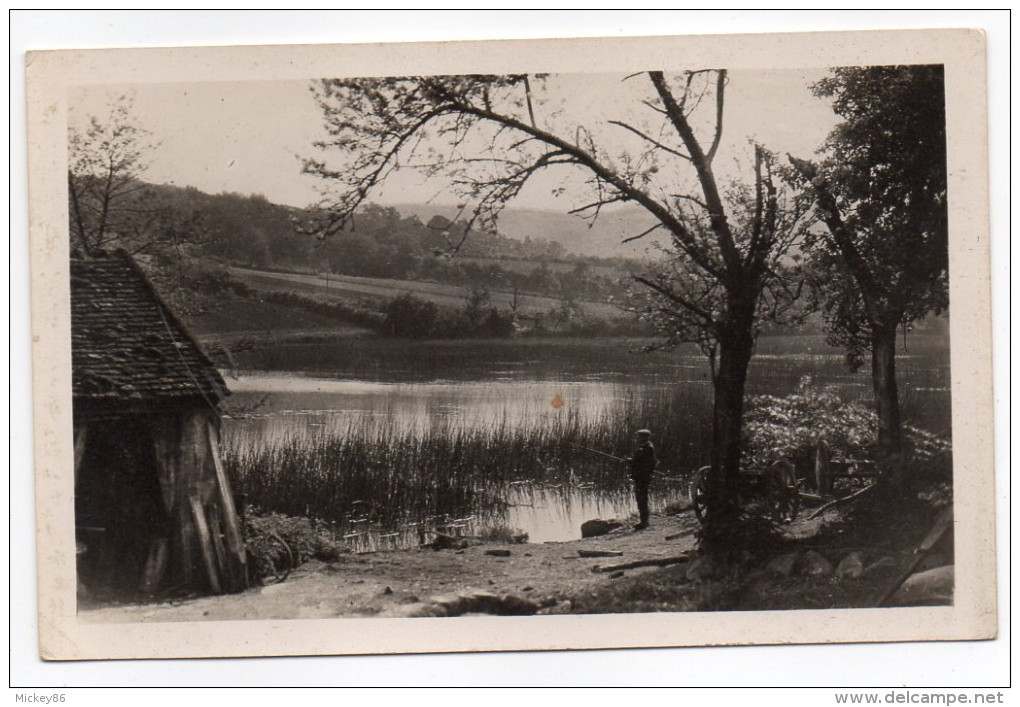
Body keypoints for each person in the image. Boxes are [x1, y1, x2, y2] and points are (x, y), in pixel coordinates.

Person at [628, 429, 657, 530]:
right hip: (640, 477)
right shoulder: (645, 447)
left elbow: (644, 463)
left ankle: (644, 522)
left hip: (642, 478)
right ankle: (644, 521)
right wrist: (631, 461)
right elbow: (640, 461)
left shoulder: (647, 448)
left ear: (645, 437)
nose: (637, 438)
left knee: (642, 499)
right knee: (641, 499)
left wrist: (632, 462)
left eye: (639, 436)